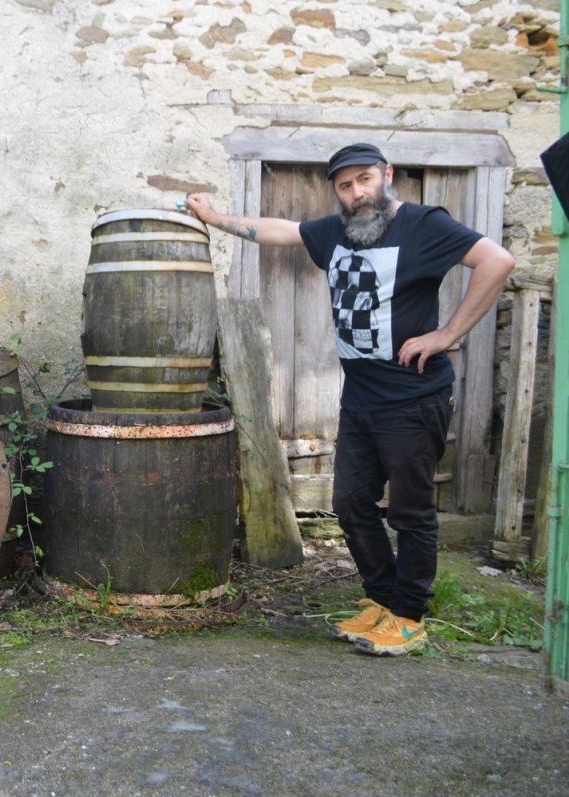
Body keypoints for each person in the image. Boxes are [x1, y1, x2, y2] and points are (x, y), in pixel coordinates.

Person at [185, 143, 515, 656]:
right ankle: (382, 602)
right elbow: (280, 230)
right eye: (345, 185)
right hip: (361, 398)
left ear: (386, 175)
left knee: (410, 511)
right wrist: (213, 217)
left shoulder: (424, 224)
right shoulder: (337, 231)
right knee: (351, 504)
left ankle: (409, 616)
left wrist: (447, 332)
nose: (357, 193)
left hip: (413, 396)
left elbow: (497, 259)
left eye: (365, 180)